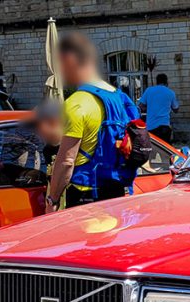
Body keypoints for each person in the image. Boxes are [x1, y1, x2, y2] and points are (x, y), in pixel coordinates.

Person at [46, 32, 142, 210]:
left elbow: (67, 161)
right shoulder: (119, 97)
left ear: (70, 61)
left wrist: (53, 200)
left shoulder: (76, 103)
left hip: (86, 194)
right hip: (117, 191)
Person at [139, 73, 180, 143]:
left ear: (156, 82)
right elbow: (176, 109)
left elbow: (141, 106)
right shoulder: (170, 93)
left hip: (151, 126)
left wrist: (150, 108)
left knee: (153, 149)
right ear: (166, 82)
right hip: (164, 126)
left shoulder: (149, 91)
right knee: (165, 149)